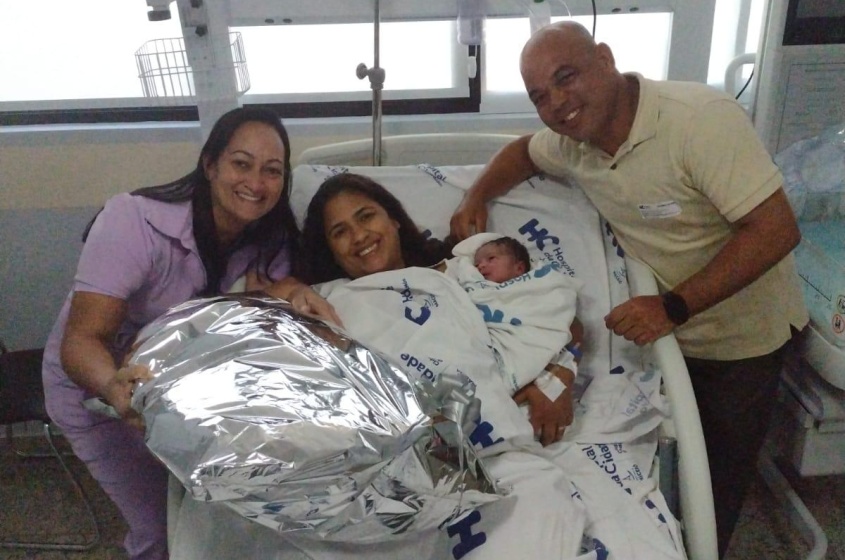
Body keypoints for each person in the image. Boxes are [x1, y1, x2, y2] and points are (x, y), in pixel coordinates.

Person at [448, 20, 808, 557]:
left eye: (566, 77)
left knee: (715, 486)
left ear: (607, 59)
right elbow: (523, 152)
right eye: (540, 96)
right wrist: (476, 196)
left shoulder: (698, 123)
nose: (558, 104)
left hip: (741, 337)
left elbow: (777, 228)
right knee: (668, 467)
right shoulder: (576, 144)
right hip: (661, 336)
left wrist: (673, 305)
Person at [41, 107, 336, 560]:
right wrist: (113, 387)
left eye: (271, 171)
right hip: (96, 388)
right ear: (210, 164)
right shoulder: (134, 222)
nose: (256, 183)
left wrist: (296, 292)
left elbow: (260, 296)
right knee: (162, 528)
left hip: (178, 389)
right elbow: (81, 342)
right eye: (241, 163)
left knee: (210, 515)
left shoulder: (265, 234)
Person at [296, 172, 576, 445]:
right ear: (330, 250)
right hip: (397, 446)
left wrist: (557, 379)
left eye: (366, 216)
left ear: (394, 220)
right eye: (339, 232)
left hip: (497, 435)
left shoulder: (467, 270)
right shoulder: (328, 300)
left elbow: (555, 312)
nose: (358, 236)